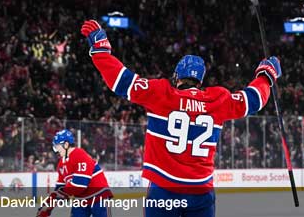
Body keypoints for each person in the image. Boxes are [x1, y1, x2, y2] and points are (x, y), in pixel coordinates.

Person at [81, 20, 281, 217]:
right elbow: (253, 100)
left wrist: (100, 50)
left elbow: (121, 81)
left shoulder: (161, 93)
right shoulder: (218, 99)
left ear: (177, 77)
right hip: (201, 192)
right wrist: (265, 76)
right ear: (200, 80)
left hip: (164, 189)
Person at [36, 129, 113, 217]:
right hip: (80, 199)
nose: (56, 150)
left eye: (57, 146)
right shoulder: (61, 164)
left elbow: (80, 185)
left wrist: (59, 194)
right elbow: (60, 189)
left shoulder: (79, 154)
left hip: (98, 196)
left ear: (66, 145)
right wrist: (48, 206)